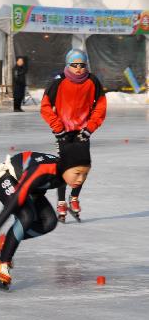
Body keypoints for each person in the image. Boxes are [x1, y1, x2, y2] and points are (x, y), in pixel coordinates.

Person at [0, 141, 92, 290]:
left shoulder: (64, 171)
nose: (81, 179)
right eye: (78, 173)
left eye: (85, 174)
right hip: (7, 178)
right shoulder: (43, 171)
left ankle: (4, 242)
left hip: (31, 187)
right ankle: (2, 265)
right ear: (66, 167)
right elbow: (11, 206)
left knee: (49, 222)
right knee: (26, 216)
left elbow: (53, 186)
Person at [40, 48, 106, 222]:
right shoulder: (58, 82)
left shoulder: (92, 81)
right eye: (74, 65)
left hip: (83, 131)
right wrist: (57, 127)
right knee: (65, 167)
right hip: (64, 132)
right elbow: (45, 107)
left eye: (82, 65)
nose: (78, 68)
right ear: (68, 65)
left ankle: (74, 197)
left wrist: (90, 128)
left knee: (82, 167)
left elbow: (100, 107)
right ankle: (61, 201)